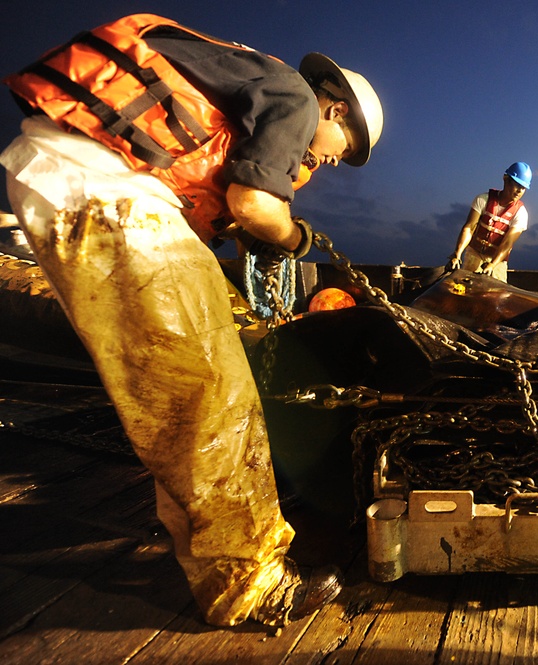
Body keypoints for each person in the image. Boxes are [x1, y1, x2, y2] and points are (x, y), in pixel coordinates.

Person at [0, 14, 383, 628]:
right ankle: (250, 587)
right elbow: (254, 202)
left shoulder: (254, 84)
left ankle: (213, 541)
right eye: (350, 150)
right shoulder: (295, 101)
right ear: (335, 111)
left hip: (83, 180)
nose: (336, 163)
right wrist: (293, 236)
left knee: (188, 387)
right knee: (210, 395)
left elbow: (227, 203)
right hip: (108, 191)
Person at [446, 161, 531, 282]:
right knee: (465, 291)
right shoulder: (483, 199)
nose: (519, 191)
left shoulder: (521, 213)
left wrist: (492, 264)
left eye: (523, 188)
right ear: (506, 179)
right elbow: (469, 227)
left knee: (497, 297)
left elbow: (507, 243)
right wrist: (457, 254)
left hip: (497, 262)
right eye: (517, 185)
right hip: (473, 255)